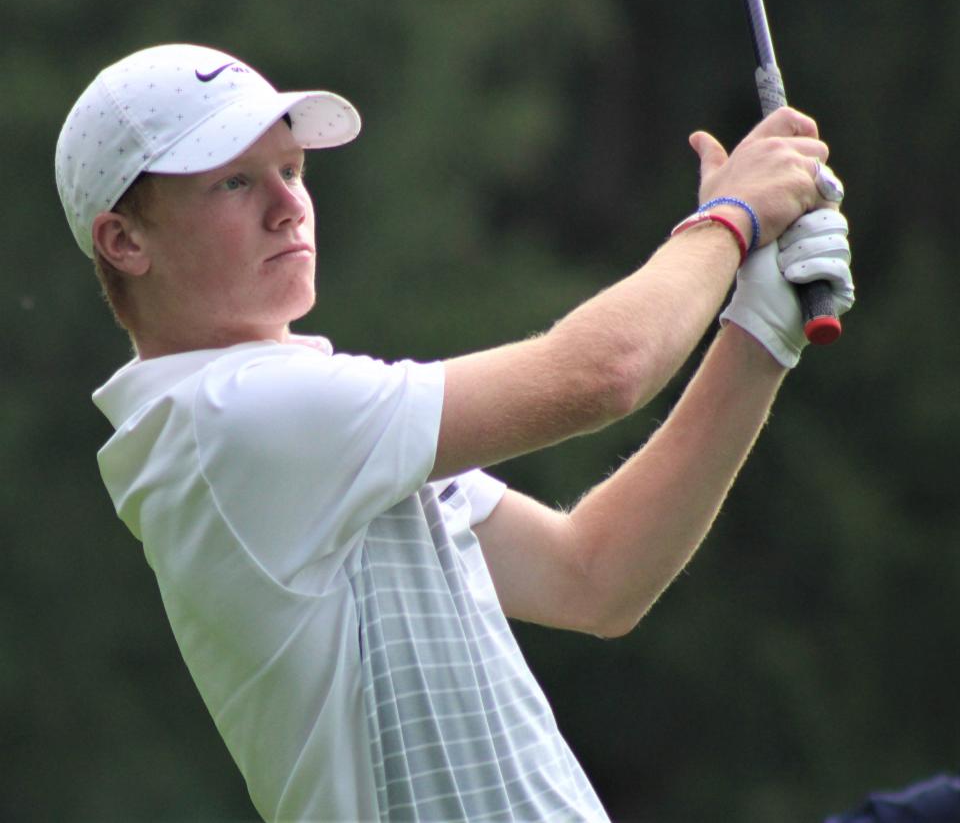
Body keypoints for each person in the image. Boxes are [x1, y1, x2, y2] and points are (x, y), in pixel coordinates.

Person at [56, 43, 853, 821]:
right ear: (125, 241)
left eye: (292, 170)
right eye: (233, 181)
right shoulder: (233, 417)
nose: (289, 204)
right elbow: (603, 373)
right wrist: (729, 220)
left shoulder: (289, 422)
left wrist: (757, 335)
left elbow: (596, 575)